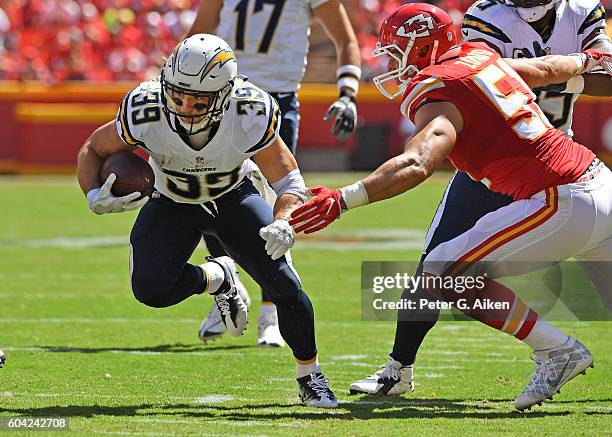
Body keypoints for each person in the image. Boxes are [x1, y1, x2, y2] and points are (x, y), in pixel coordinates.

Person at [289, 3, 612, 410]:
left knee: (443, 270)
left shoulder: (437, 85)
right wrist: (586, 58)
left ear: (422, 48)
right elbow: (547, 70)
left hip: (561, 198)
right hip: (599, 183)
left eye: (396, 51)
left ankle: (556, 350)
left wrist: (344, 198)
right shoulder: (483, 57)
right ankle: (402, 365)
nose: (390, 62)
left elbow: (419, 161)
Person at [77, 34, 338, 408]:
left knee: (283, 284)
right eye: (178, 94)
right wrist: (91, 193)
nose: (185, 106)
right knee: (150, 289)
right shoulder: (145, 107)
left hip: (233, 197)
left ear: (225, 94)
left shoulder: (249, 111)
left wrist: (284, 220)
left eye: (198, 99)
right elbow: (93, 148)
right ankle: (217, 278)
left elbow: (289, 179)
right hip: (171, 202)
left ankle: (310, 376)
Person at [186, 0, 362, 347]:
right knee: (207, 188)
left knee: (272, 206)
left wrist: (348, 93)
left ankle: (271, 311)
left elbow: (345, 40)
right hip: (223, 94)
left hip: (274, 100)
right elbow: (200, 33)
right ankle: (227, 283)